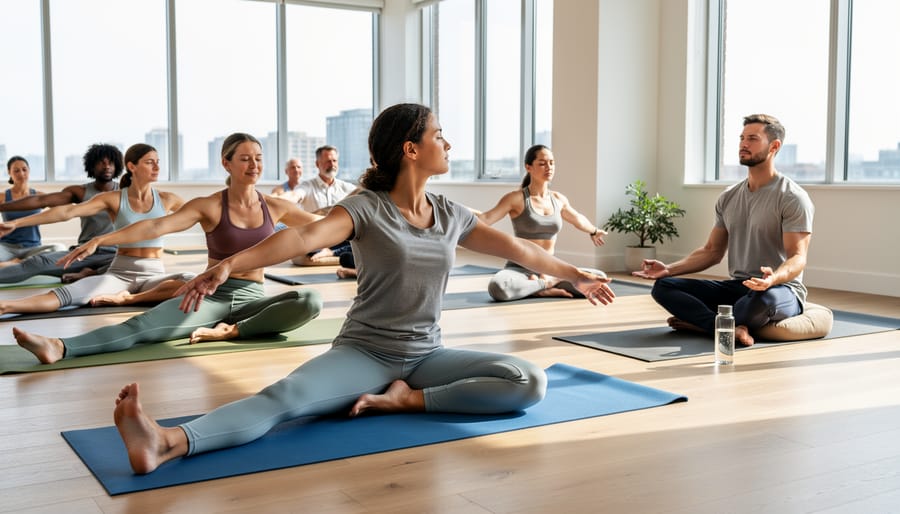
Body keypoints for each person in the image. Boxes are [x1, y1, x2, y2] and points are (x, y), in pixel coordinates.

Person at [103, 103, 615, 475]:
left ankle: (406, 401)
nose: (449, 143)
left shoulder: (451, 214)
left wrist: (577, 274)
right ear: (411, 149)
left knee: (528, 381)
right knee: (284, 398)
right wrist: (228, 264)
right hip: (366, 351)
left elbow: (520, 250)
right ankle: (168, 441)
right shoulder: (366, 208)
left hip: (426, 355)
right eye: (441, 134)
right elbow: (302, 236)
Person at [11, 132, 323, 364]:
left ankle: (232, 331)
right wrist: (100, 240)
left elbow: (328, 224)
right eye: (244, 158)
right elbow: (154, 226)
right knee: (142, 326)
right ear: (226, 162)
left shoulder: (276, 206)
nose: (253, 164)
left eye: (258, 158)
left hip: (254, 298)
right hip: (209, 296)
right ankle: (60, 347)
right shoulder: (210, 205)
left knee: (310, 299)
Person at [632, 114, 814, 347]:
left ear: (774, 146)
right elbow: (712, 251)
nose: (743, 144)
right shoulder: (729, 197)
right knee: (664, 287)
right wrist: (668, 269)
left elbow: (798, 257)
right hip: (740, 286)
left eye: (752, 139)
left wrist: (772, 279)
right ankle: (723, 326)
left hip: (780, 289)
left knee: (758, 301)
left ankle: (704, 323)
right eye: (741, 138)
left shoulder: (792, 197)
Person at [0, 144, 193, 316]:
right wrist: (17, 223)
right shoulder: (113, 198)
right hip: (119, 273)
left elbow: (202, 215)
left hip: (154, 274)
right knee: (67, 294)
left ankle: (129, 299)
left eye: (158, 162)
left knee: (192, 280)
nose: (157, 167)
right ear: (132, 166)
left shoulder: (168, 199)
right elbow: (67, 212)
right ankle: (6, 306)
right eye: (150, 162)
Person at [477, 144, 609, 301]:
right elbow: (486, 219)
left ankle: (539, 286)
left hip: (550, 268)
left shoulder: (558, 199)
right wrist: (459, 220)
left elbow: (577, 218)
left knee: (599, 278)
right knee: (499, 288)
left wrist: (594, 231)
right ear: (528, 167)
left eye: (552, 163)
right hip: (519, 269)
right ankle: (546, 285)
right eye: (542, 163)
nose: (549, 167)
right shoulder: (516, 198)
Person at [0, 143, 122, 284]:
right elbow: (41, 200)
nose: (107, 166)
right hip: (83, 253)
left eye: (111, 162)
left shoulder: (125, 192)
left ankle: (91, 273)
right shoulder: (80, 192)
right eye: (102, 162)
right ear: (92, 166)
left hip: (116, 256)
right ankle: (90, 272)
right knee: (37, 262)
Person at [291, 145, 358, 266]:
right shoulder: (307, 185)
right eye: (327, 161)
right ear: (317, 164)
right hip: (317, 239)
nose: (332, 164)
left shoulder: (347, 188)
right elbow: (296, 195)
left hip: (341, 239)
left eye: (334, 161)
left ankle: (332, 253)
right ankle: (333, 253)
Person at [0, 156, 66, 266]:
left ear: (29, 170)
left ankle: (16, 263)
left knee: (59, 248)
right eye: (16, 171)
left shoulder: (39, 196)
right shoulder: (2, 197)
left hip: (33, 248)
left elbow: (63, 210)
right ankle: (27, 264)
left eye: (24, 169)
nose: (21, 174)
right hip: (7, 248)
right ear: (9, 172)